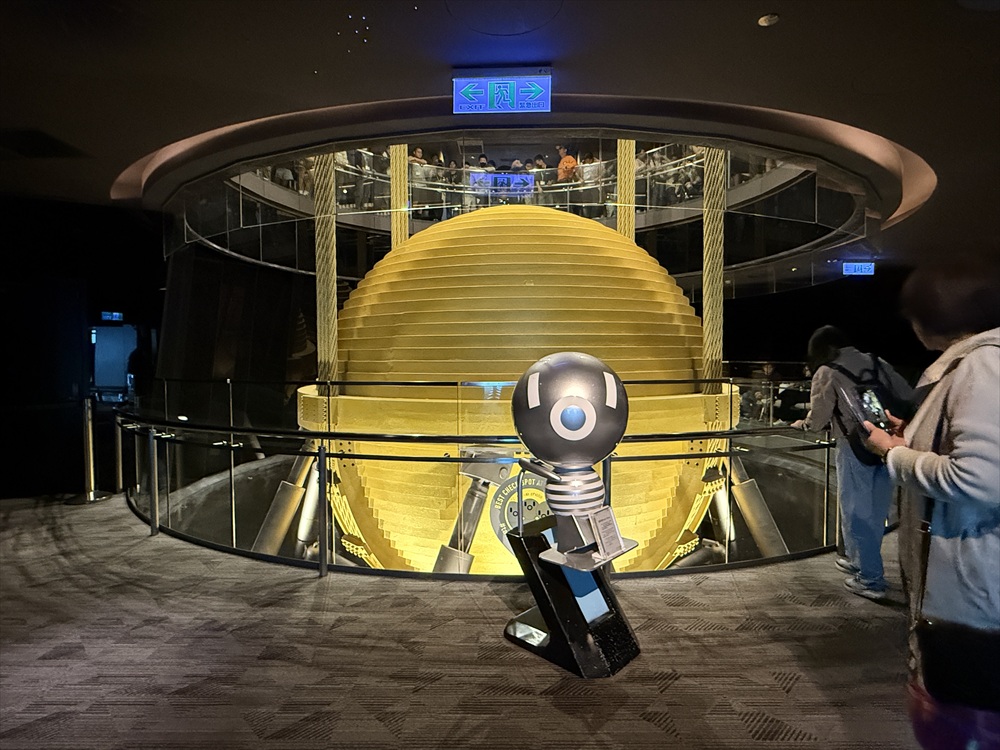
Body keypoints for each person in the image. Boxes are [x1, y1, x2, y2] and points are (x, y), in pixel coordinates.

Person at [862, 264, 1000, 748]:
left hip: (974, 597)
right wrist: (916, 438)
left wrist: (893, 454)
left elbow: (981, 479)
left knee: (960, 724)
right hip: (976, 594)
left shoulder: (983, 367)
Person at [790, 326, 913, 599]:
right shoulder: (876, 362)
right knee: (877, 511)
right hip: (887, 442)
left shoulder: (828, 371)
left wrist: (803, 425)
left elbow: (818, 419)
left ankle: (870, 579)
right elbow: (907, 394)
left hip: (854, 446)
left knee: (856, 511)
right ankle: (859, 562)